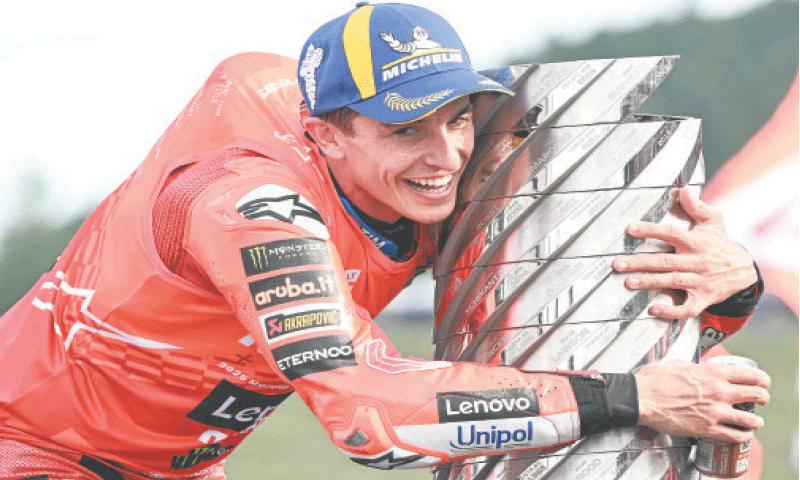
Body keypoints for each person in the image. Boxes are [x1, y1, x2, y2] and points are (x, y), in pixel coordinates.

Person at [0, 2, 769, 479]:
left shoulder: (416, 165)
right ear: (325, 136)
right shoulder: (251, 206)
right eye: (406, 129)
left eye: (459, 116)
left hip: (178, 464)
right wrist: (631, 399)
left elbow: (593, 299)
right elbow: (371, 423)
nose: (444, 158)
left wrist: (726, 284)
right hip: (35, 446)